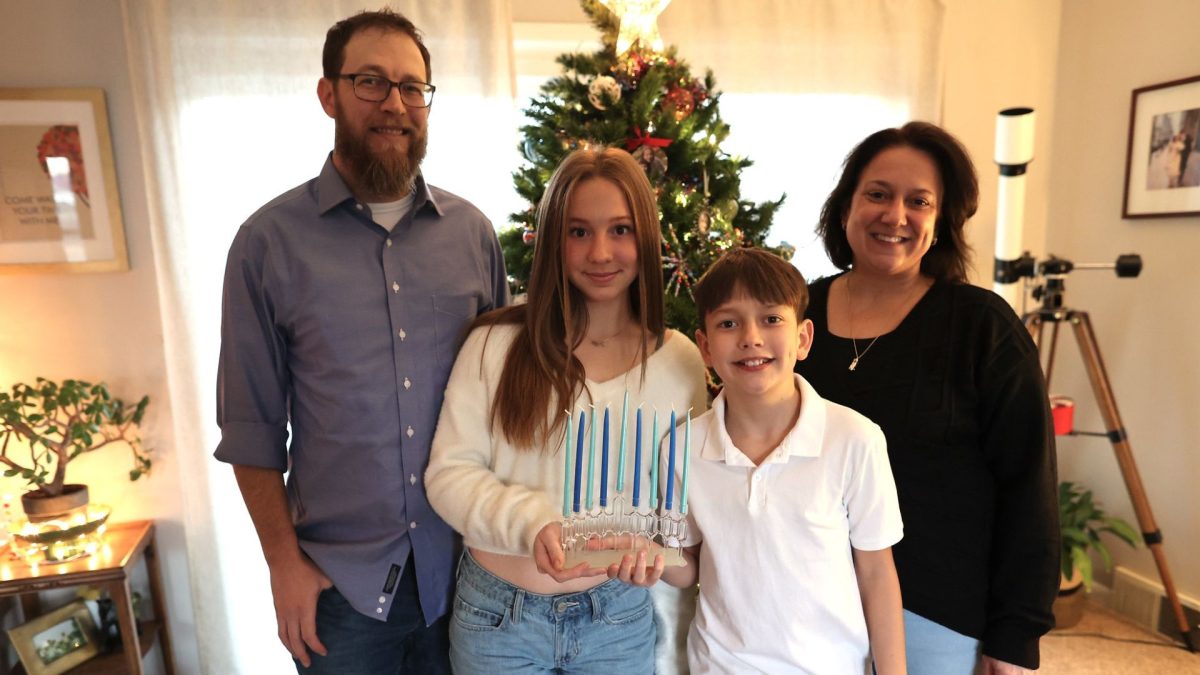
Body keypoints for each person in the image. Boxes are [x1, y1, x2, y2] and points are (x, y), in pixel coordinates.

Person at [214, 9, 508, 673]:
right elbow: (251, 428)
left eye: (412, 87)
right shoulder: (267, 244)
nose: (395, 104)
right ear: (329, 94)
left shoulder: (473, 236)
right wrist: (282, 563)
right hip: (339, 593)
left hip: (470, 575)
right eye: (371, 82)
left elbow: (507, 403)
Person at [425, 147, 708, 674]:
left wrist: (657, 551)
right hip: (498, 619)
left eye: (620, 229)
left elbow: (684, 502)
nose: (601, 252)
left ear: (645, 237)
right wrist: (532, 524)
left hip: (617, 622)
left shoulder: (679, 363)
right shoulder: (496, 345)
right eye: (579, 231)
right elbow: (449, 474)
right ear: (554, 240)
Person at [795, 122, 1059, 674]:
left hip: (935, 617)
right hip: (801, 610)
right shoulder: (793, 314)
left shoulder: (982, 327)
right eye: (878, 194)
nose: (895, 216)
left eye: (919, 201)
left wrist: (1015, 638)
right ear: (846, 206)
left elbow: (1028, 486)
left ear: (940, 223)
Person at [606, 247, 906, 674]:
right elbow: (687, 564)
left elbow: (877, 575)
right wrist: (647, 556)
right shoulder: (681, 448)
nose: (751, 337)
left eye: (771, 319)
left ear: (803, 338)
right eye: (729, 323)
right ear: (706, 348)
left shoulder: (855, 440)